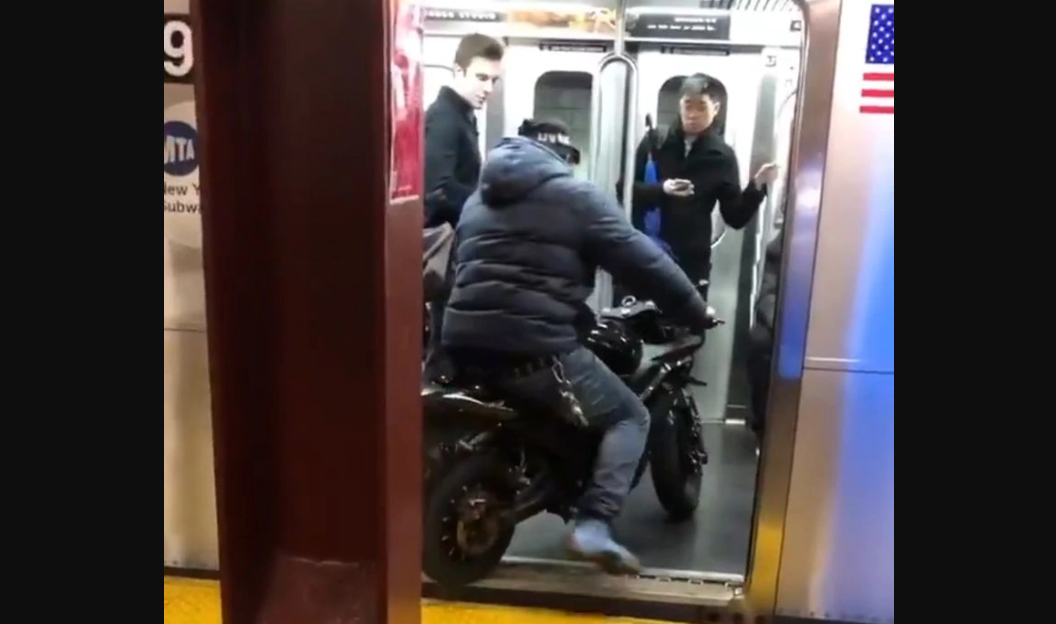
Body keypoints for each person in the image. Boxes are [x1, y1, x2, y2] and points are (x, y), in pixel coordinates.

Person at [442, 119, 715, 574]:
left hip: (463, 342)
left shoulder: (478, 198)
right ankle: (594, 524)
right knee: (629, 415)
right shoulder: (576, 196)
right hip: (533, 347)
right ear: (563, 158)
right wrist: (694, 308)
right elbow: (640, 257)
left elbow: (464, 270)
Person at [619, 74, 780, 296]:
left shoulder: (721, 156)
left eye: (701, 107)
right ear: (680, 105)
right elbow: (624, 190)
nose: (693, 115)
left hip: (690, 265)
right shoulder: (656, 142)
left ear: (715, 107)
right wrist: (662, 189)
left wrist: (757, 187)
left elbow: (735, 217)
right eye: (688, 106)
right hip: (644, 254)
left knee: (686, 327)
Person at [423, 33, 504, 383]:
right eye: (481, 77)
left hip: (459, 247)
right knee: (445, 346)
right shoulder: (444, 118)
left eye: (494, 80)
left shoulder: (463, 116)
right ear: (458, 71)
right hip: (447, 247)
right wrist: (483, 206)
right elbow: (435, 191)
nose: (488, 87)